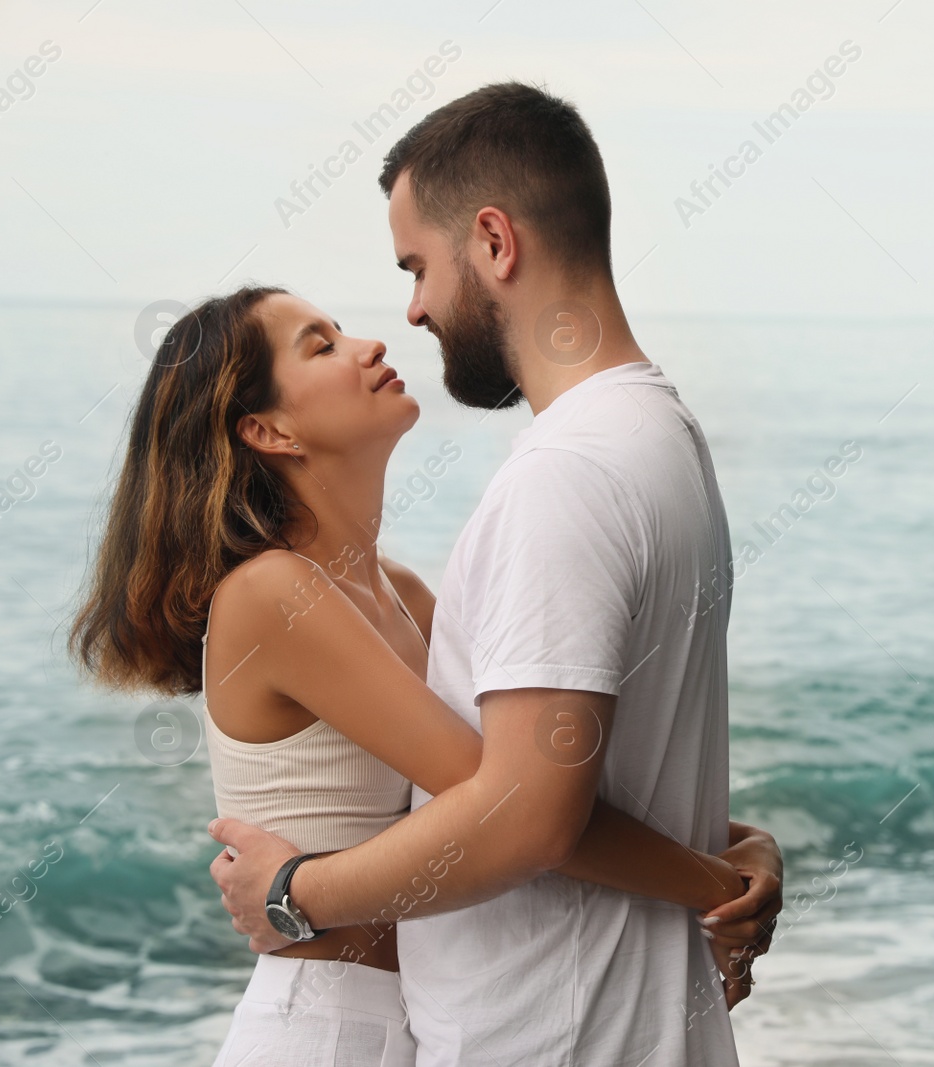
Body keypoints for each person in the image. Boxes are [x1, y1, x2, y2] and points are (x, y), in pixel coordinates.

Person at [205, 81, 774, 1066]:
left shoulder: (564, 475)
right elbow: (538, 776)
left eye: (418, 267)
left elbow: (526, 806)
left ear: (495, 243)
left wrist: (293, 890)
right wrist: (723, 861)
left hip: (550, 1031)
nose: (409, 312)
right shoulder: (661, 442)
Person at [69, 284, 780, 1067]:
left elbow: (538, 784)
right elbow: (510, 801)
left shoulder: (398, 593)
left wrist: (743, 845)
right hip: (324, 1029)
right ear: (267, 430)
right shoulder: (271, 594)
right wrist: (715, 881)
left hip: (412, 1028)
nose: (368, 346)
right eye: (321, 345)